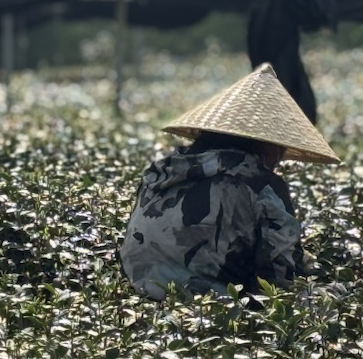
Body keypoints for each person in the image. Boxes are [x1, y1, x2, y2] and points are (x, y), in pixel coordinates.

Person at [120, 63, 341, 301]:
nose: (280, 158)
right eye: (281, 148)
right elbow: (282, 282)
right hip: (212, 308)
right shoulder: (260, 184)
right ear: (267, 144)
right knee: (334, 293)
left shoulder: (160, 171)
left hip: (138, 296)